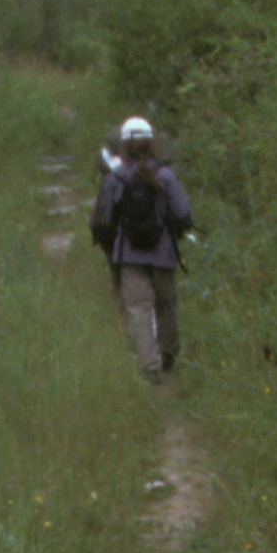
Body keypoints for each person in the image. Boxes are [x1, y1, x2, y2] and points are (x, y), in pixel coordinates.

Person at [94, 115, 194, 382]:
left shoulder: (117, 178)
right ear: (152, 143)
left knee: (139, 308)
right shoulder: (166, 176)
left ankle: (149, 366)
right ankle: (169, 354)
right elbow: (184, 214)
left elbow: (105, 218)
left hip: (130, 255)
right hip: (164, 254)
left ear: (123, 145)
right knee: (166, 304)